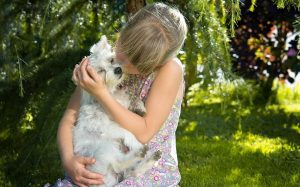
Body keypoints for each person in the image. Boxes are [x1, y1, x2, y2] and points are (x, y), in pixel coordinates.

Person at [51, 2, 187, 187]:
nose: (123, 62)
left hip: (145, 172)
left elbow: (145, 131)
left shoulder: (170, 70)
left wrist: (100, 93)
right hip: (101, 166)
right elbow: (70, 117)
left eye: (137, 62)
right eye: (124, 48)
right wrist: (68, 160)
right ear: (125, 29)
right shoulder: (104, 62)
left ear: (159, 62)